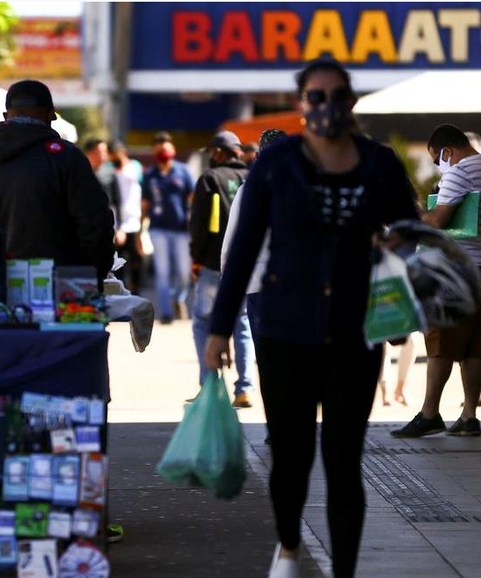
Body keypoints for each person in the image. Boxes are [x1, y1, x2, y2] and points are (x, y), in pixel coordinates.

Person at [203, 58, 420, 578]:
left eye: (337, 95)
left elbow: (412, 225)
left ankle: (344, 570)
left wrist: (395, 240)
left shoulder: (379, 163)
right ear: (303, 104)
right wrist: (218, 328)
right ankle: (290, 543)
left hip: (354, 331)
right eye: (316, 97)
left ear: (351, 99)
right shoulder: (276, 167)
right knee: (292, 460)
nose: (327, 106)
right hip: (284, 329)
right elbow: (244, 248)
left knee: (344, 462)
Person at [0, 79, 114, 284]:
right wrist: (92, 278)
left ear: (7, 116)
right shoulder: (66, 159)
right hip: (60, 292)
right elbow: (96, 224)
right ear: (51, 115)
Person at [392, 124, 481, 437]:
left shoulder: (459, 172)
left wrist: (410, 209)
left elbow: (437, 220)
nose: (439, 166)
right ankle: (470, 414)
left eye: (436, 159)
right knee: (473, 348)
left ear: (447, 150)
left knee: (440, 344)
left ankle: (430, 413)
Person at [189, 130, 254, 407]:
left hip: (213, 264)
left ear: (218, 152)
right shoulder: (253, 179)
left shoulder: (209, 179)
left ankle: (210, 387)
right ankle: (245, 388)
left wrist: (196, 258)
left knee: (204, 322)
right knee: (241, 324)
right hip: (248, 267)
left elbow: (201, 226)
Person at [220, 128, 288, 348]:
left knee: (267, 360)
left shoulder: (248, 190)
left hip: (258, 284)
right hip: (293, 285)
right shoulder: (304, 189)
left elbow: (230, 245)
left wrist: (228, 285)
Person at [142, 131, 195, 323]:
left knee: (183, 271)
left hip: (181, 229)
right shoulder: (150, 175)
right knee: (162, 271)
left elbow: (193, 197)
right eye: (159, 149)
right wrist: (141, 231)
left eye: (165, 148)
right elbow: (145, 204)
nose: (162, 152)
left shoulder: (183, 171)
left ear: (172, 150)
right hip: (158, 228)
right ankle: (165, 312)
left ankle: (177, 298)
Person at [110, 140, 145, 293]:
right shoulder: (110, 171)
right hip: (118, 224)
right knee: (119, 264)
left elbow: (143, 192)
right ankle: (121, 293)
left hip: (135, 222)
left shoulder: (135, 167)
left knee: (136, 262)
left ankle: (136, 292)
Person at [84, 138, 122, 229]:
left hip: (105, 223)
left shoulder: (110, 173)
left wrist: (120, 226)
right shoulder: (80, 173)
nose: (104, 155)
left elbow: (117, 200)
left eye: (105, 151)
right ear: (90, 153)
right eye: (101, 152)